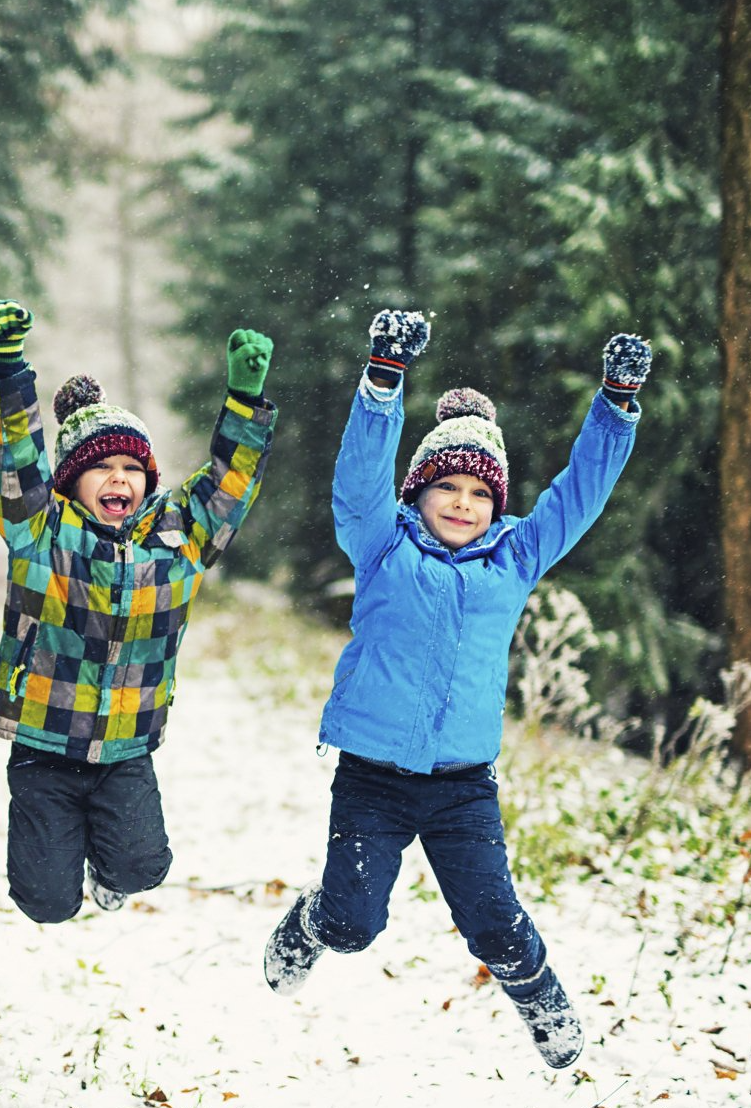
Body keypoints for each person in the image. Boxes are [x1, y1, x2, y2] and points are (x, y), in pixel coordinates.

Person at [263, 309, 651, 1069]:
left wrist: (615, 403)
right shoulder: (380, 542)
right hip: (373, 778)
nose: (463, 502)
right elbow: (358, 480)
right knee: (350, 925)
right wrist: (383, 381)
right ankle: (309, 924)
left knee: (494, 924)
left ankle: (540, 996)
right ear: (418, 491)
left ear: (497, 504)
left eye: (479, 491)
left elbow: (579, 493)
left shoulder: (517, 556)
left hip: (463, 786)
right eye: (446, 485)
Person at [0, 299, 278, 922]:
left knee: (142, 867)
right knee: (46, 903)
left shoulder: (179, 537)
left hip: (126, 747)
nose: (119, 479)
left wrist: (244, 406)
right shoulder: (40, 530)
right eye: (102, 468)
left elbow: (229, 487)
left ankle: (107, 868)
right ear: (70, 480)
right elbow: (15, 462)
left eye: (132, 468)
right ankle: (62, 868)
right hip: (44, 741)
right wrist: (7, 371)